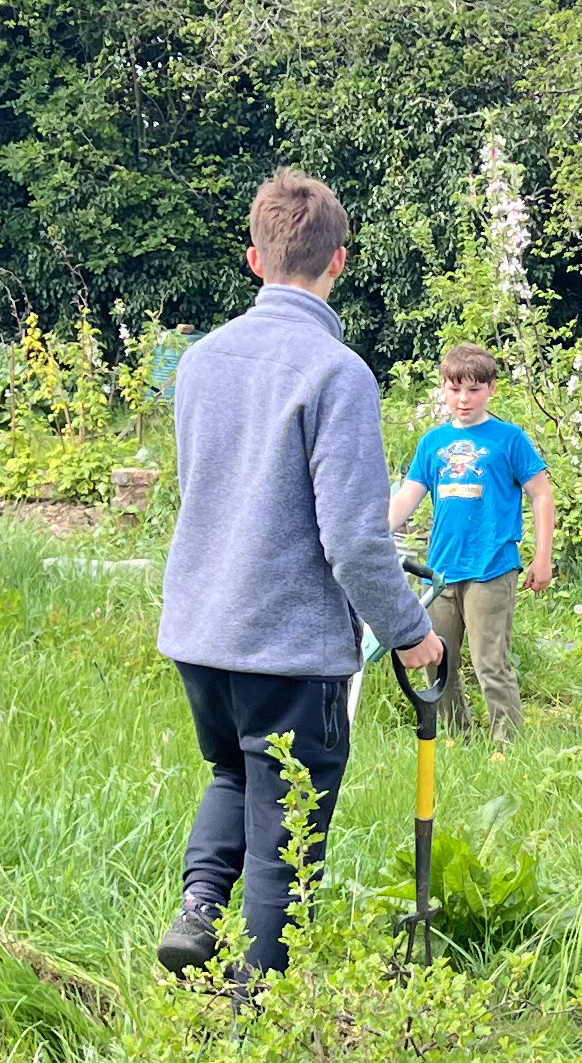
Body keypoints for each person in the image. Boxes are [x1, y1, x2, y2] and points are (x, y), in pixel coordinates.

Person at [153, 169, 441, 979]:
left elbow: (204, 489)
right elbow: (353, 540)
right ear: (339, 262)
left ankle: (201, 909)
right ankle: (260, 1011)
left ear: (255, 258)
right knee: (289, 821)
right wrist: (413, 636)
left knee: (230, 768)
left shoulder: (202, 361)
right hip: (287, 642)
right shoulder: (337, 372)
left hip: (202, 628)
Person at [390, 343, 555, 740]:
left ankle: (506, 745)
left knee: (490, 662)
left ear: (491, 389)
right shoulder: (433, 442)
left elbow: (542, 494)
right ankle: (456, 737)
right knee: (435, 659)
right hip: (440, 572)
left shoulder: (508, 438)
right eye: (454, 389)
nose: (464, 399)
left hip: (492, 567)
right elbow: (407, 498)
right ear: (443, 390)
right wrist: (371, 534)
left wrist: (542, 558)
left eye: (474, 390)